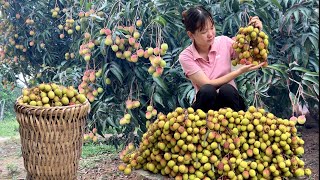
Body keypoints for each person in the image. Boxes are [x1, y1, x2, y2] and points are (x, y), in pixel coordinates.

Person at [178, 5, 265, 112]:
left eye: (212, 27)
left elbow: (250, 54)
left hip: (231, 104)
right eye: (204, 32)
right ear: (191, 35)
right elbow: (207, 84)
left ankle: (234, 123)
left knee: (227, 89)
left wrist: (255, 33)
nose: (210, 34)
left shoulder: (224, 42)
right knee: (208, 90)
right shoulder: (186, 56)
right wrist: (238, 72)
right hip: (205, 107)